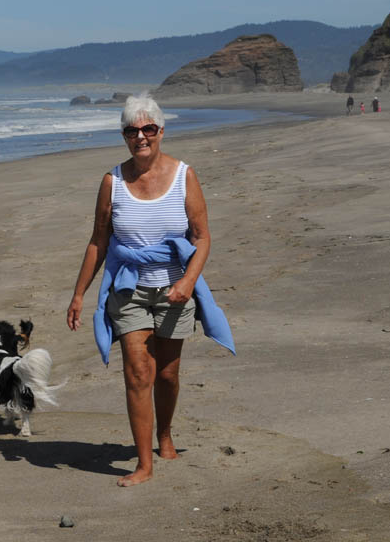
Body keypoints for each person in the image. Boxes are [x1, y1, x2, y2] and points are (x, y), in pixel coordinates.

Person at [66, 95, 232, 487]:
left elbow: (202, 237)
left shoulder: (184, 176)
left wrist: (187, 282)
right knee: (139, 372)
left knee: (168, 374)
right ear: (124, 136)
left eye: (148, 129)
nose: (140, 137)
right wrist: (78, 294)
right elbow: (98, 241)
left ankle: (165, 434)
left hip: (175, 288)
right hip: (129, 290)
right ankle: (144, 464)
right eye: (131, 131)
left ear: (161, 131)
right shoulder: (112, 182)